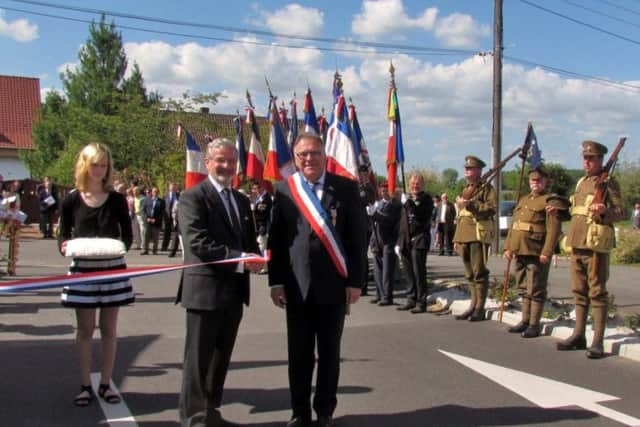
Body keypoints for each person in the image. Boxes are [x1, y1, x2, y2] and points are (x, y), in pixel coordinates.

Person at [268, 132, 367, 427]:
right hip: (296, 287)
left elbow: (358, 239)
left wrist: (356, 282)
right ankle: (299, 412)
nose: (308, 159)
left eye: (313, 153)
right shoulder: (285, 189)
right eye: (302, 155)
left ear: (323, 155)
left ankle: (324, 411)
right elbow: (277, 239)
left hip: (333, 286)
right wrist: (275, 282)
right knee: (298, 355)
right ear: (295, 159)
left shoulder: (347, 189)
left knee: (329, 354)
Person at [176, 137, 264, 427]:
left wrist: (258, 257)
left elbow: (247, 240)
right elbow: (198, 243)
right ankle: (193, 418)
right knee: (198, 362)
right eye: (221, 160)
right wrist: (241, 259)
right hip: (204, 290)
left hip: (234, 291)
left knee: (220, 359)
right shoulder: (193, 197)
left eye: (231, 161)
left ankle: (211, 412)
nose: (227, 166)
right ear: (208, 163)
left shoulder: (240, 199)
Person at [57, 143, 133, 407]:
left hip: (112, 268)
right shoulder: (71, 199)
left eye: (104, 165)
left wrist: (115, 249)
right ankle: (85, 385)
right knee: (86, 329)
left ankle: (106, 383)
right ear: (84, 165)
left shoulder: (117, 199)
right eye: (95, 165)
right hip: (83, 272)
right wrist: (67, 247)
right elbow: (62, 236)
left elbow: (128, 234)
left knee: (109, 329)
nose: (100, 170)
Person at [556, 140, 625, 359]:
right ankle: (579, 334)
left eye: (591, 158)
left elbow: (621, 212)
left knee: (597, 292)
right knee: (578, 291)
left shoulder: (608, 183)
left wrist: (605, 211)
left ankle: (597, 339)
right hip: (577, 243)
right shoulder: (581, 183)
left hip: (595, 244)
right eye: (585, 158)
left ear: (600, 159)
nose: (587, 162)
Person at [503, 167, 564, 338]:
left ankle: (534, 324)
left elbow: (554, 229)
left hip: (537, 250)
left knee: (536, 287)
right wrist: (508, 246)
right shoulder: (523, 200)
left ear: (546, 182)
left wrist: (547, 251)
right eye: (532, 180)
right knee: (523, 287)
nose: (535, 183)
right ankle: (525, 320)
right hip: (520, 248)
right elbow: (514, 225)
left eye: (539, 180)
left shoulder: (549, 201)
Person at [453, 155, 497, 322]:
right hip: (464, 234)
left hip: (477, 234)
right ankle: (473, 304)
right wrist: (456, 238)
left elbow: (491, 208)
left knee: (479, 272)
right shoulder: (466, 188)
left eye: (470, 168)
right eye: (466, 168)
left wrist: (472, 205)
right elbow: (461, 214)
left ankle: (479, 307)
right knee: (469, 273)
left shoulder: (486, 188)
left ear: (479, 170)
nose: (467, 170)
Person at [396, 173, 434, 313]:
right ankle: (411, 298)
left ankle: (421, 301)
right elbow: (402, 222)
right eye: (412, 183)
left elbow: (420, 217)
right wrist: (398, 241)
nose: (415, 186)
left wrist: (409, 203)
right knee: (408, 272)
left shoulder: (426, 199)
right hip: (405, 240)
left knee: (419, 272)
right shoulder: (408, 199)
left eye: (417, 183)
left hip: (419, 239)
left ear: (422, 184)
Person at [368, 181, 402, 306]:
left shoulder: (395, 205)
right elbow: (374, 223)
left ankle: (387, 296)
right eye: (382, 189)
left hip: (389, 240)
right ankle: (379, 294)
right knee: (378, 270)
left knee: (387, 270)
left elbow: (387, 220)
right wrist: (371, 214)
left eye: (386, 189)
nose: (384, 191)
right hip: (377, 240)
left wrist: (374, 214)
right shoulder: (379, 204)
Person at [357, 165, 376, 295]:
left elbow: (366, 200)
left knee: (362, 256)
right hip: (356, 225)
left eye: (363, 174)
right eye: (360, 174)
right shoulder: (357, 187)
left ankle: (363, 285)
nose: (361, 176)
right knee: (357, 255)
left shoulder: (369, 188)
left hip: (365, 225)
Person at [250, 180, 272, 255]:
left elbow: (262, 211)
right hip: (256, 226)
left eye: (257, 188)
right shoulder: (255, 198)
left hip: (263, 226)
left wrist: (254, 208)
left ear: (261, 188)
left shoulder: (266, 198)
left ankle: (264, 263)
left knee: (262, 246)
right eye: (254, 189)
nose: (256, 191)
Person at [142, 187, 165, 255]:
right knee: (146, 236)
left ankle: (154, 251)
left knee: (155, 237)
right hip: (148, 221)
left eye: (156, 192)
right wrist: (146, 218)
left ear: (158, 193)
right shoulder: (147, 200)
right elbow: (143, 210)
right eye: (154, 191)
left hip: (156, 222)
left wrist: (156, 219)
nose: (155, 193)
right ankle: (145, 250)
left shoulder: (161, 201)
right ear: (151, 192)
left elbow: (162, 212)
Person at [162, 183, 180, 251]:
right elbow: (163, 207)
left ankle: (173, 247)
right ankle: (164, 247)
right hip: (167, 216)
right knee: (167, 232)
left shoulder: (178, 195)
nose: (173, 188)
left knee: (175, 232)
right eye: (171, 187)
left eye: (174, 187)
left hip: (175, 216)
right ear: (169, 188)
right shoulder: (165, 196)